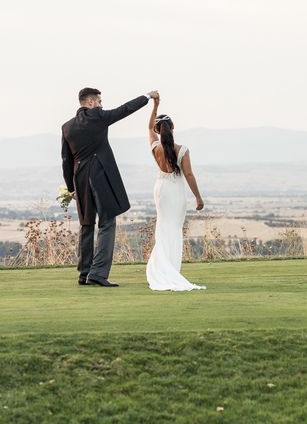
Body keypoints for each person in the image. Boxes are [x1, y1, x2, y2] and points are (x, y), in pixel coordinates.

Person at [62, 88, 159, 287]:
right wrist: (147, 97)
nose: (101, 105)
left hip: (79, 178)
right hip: (99, 176)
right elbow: (124, 110)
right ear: (89, 102)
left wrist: (71, 187)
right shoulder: (97, 116)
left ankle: (84, 273)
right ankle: (98, 274)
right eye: (99, 101)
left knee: (86, 224)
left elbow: (66, 160)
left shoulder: (67, 126)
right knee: (107, 222)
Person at [145, 96, 206, 291]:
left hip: (161, 189)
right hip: (175, 191)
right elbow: (188, 174)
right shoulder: (182, 150)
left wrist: (155, 105)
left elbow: (148, 128)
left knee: (163, 227)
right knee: (174, 228)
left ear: (157, 130)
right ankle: (171, 268)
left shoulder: (156, 148)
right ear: (172, 128)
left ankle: (163, 268)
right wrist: (198, 196)